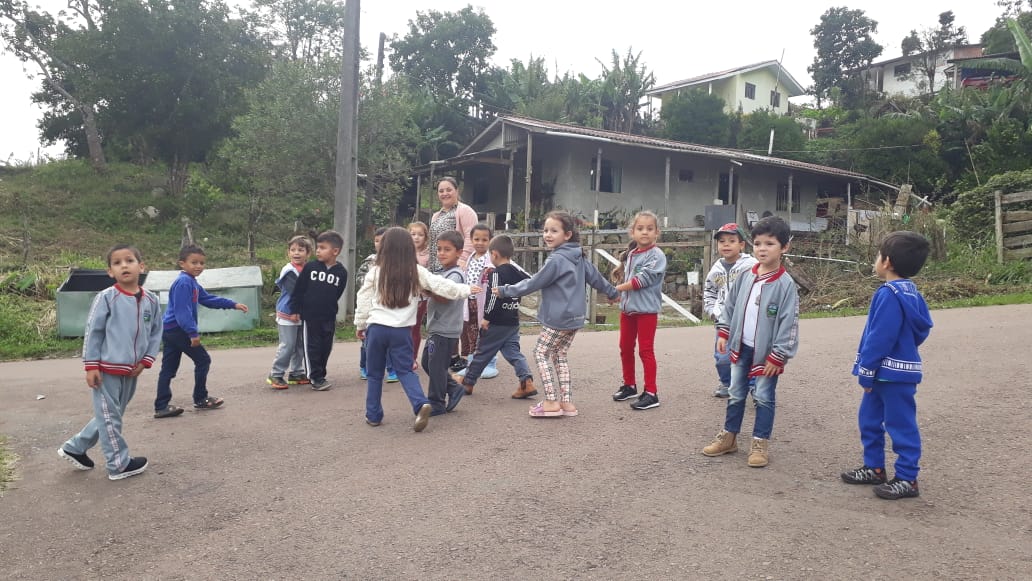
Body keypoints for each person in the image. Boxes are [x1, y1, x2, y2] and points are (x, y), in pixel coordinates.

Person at [495, 210, 619, 418]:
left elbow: (534, 283)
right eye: (545, 230)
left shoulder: (556, 260)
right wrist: (612, 292)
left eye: (554, 231)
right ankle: (567, 403)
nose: (548, 235)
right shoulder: (578, 256)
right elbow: (596, 278)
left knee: (540, 353)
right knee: (559, 355)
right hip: (575, 318)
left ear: (567, 235)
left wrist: (505, 290)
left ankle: (551, 402)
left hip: (558, 318)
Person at [354, 227, 478, 431]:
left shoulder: (375, 271)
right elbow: (440, 285)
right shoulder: (416, 271)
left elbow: (364, 298)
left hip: (376, 329)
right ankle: (420, 404)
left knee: (375, 374)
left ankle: (373, 415)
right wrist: (465, 289)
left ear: (384, 248)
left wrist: (361, 324)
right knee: (405, 371)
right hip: (401, 331)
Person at [841, 231, 932, 500]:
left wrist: (866, 371)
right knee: (869, 419)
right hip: (897, 372)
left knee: (900, 425)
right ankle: (875, 467)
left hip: (886, 374)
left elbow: (879, 337)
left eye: (878, 255)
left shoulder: (887, 294)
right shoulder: (912, 293)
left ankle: (907, 478)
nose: (876, 260)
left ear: (887, 262)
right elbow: (922, 329)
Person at [701, 216, 799, 468]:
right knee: (735, 393)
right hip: (740, 348)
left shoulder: (785, 285)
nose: (762, 249)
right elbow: (730, 306)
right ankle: (729, 437)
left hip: (767, 355)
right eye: (758, 244)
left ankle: (759, 442)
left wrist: (779, 355)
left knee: (764, 397)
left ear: (784, 247)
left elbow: (789, 324)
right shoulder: (746, 275)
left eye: (769, 244)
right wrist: (724, 331)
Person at [58, 244, 160, 480]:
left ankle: (76, 447)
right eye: (117, 263)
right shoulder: (106, 298)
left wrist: (146, 360)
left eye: (129, 260)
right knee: (110, 416)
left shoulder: (151, 300)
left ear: (141, 266)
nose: (124, 265)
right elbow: (93, 332)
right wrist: (91, 365)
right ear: (110, 272)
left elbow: (156, 332)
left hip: (132, 370)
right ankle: (118, 464)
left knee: (111, 415)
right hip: (106, 370)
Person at [154, 244, 249, 417]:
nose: (198, 266)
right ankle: (201, 398)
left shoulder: (191, 282)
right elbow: (182, 312)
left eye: (202, 263)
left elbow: (208, 299)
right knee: (203, 360)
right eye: (194, 262)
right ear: (182, 263)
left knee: (169, 368)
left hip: (170, 329)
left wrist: (232, 304)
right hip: (179, 330)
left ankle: (161, 406)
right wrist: (192, 333)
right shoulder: (184, 283)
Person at [457, 234, 537, 399]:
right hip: (512, 321)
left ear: (494, 254)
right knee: (513, 353)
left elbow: (493, 296)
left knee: (482, 352)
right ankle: (526, 381)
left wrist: (487, 317)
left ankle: (468, 382)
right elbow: (529, 281)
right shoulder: (517, 272)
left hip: (495, 322)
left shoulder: (495, 273)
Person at [609, 211, 667, 410]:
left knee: (645, 350)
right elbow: (629, 280)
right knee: (625, 348)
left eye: (649, 229)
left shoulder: (657, 256)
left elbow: (641, 281)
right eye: (640, 228)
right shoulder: (632, 254)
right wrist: (618, 296)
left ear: (657, 232)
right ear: (632, 232)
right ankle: (629, 385)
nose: (645, 232)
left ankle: (651, 392)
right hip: (628, 311)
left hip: (646, 312)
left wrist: (615, 290)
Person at [427, 177, 479, 371]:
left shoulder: (464, 211)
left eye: (448, 189)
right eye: (441, 190)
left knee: (460, 313)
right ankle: (451, 354)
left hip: (456, 267)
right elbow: (433, 243)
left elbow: (471, 237)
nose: (445, 193)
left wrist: (462, 260)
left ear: (457, 190)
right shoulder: (436, 215)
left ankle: (465, 355)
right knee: (441, 312)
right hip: (437, 267)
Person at [421, 230, 473, 415]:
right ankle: (453, 387)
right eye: (439, 249)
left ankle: (436, 402)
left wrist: (426, 289)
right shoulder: (443, 274)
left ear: (459, 252)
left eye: (447, 249)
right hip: (437, 329)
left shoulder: (455, 275)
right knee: (427, 363)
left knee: (436, 367)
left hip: (445, 330)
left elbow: (445, 297)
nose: (442, 253)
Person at [703, 223, 757, 398]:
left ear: (741, 245)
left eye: (732, 241)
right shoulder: (716, 269)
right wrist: (712, 310)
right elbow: (709, 291)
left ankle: (754, 386)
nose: (726, 244)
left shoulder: (751, 265)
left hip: (747, 321)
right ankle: (727, 383)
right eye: (722, 241)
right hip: (723, 321)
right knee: (722, 357)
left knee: (750, 354)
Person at [289, 230, 347, 391]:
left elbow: (338, 293)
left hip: (329, 317)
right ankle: (315, 377)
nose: (318, 251)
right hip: (310, 316)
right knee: (312, 347)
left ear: (335, 251)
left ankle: (321, 373)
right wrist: (295, 309)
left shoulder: (342, 273)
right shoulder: (310, 267)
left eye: (322, 248)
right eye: (318, 247)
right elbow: (299, 290)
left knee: (325, 347)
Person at [266, 235, 313, 389]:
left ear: (308, 253)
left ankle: (296, 372)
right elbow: (295, 292)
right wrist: (295, 310)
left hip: (302, 314)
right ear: (288, 253)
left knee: (299, 345)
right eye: (293, 250)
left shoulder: (308, 269)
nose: (296, 253)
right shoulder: (289, 270)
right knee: (288, 344)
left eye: (301, 250)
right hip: (288, 313)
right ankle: (276, 374)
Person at [457, 223, 499, 378]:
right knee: (472, 332)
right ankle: (472, 363)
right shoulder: (470, 257)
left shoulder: (491, 259)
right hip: (470, 301)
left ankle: (490, 363)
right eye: (476, 239)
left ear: (490, 241)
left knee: (486, 332)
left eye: (484, 240)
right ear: (471, 239)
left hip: (485, 302)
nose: (480, 243)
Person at [357, 227, 397, 382]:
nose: (380, 244)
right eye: (377, 241)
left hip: (388, 308)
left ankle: (391, 369)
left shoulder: (397, 262)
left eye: (383, 240)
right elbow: (361, 283)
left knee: (389, 342)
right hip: (370, 308)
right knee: (367, 342)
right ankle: (364, 366)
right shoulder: (369, 262)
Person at [409, 221, 431, 369]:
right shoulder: (403, 252)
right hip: (404, 296)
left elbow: (429, 277)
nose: (416, 237)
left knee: (414, 327)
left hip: (421, 297)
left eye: (420, 234)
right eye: (413, 234)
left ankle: (412, 358)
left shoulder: (429, 255)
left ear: (426, 237)